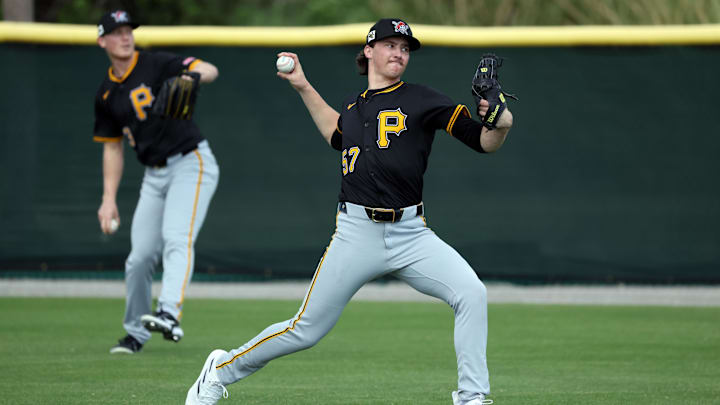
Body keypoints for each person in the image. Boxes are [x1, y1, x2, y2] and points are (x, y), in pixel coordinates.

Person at [186, 18, 512, 405]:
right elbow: (334, 133)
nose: (399, 53)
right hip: (357, 232)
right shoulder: (355, 108)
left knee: (471, 293)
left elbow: (483, 140)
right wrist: (303, 85)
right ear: (369, 51)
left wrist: (501, 120)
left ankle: (473, 397)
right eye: (391, 45)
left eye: (406, 48)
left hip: (412, 233)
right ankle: (219, 371)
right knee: (305, 329)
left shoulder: (423, 99)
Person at [93, 10, 220, 354]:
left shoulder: (156, 64)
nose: (125, 37)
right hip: (153, 174)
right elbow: (112, 149)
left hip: (191, 163)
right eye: (116, 32)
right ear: (102, 41)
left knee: (176, 238)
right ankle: (135, 333)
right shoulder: (107, 94)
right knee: (139, 258)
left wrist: (193, 77)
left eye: (128, 30)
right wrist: (108, 198)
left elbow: (210, 69)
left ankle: (168, 313)